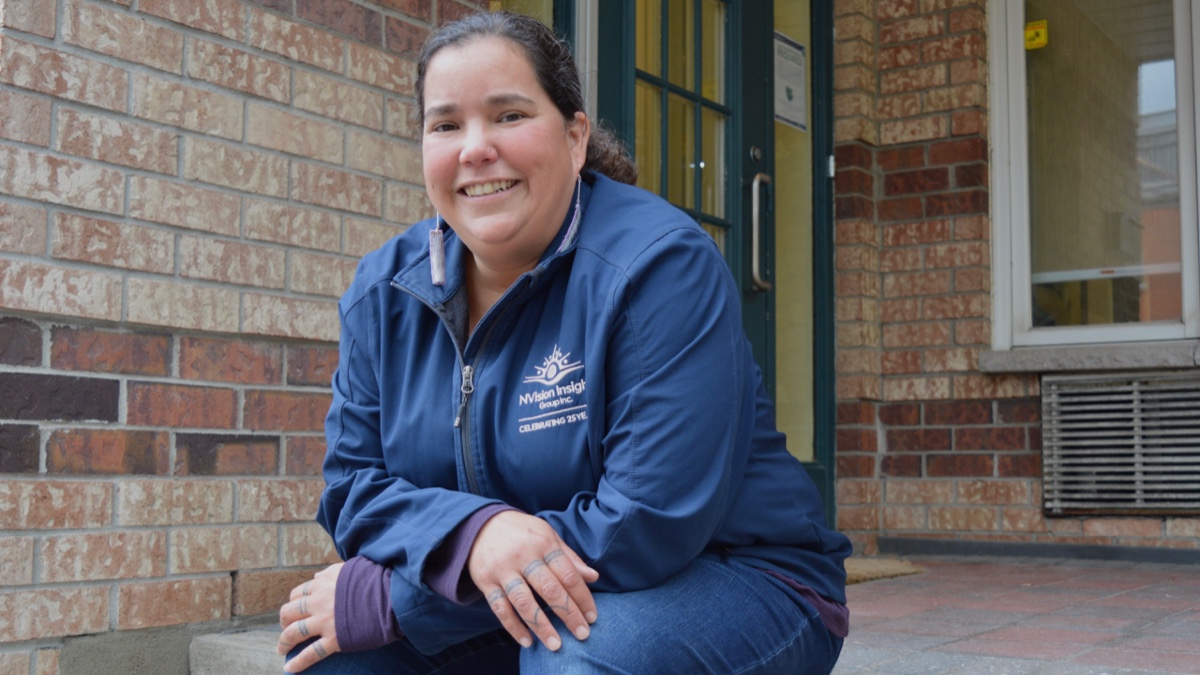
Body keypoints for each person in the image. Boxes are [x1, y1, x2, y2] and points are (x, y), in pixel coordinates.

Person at [277, 11, 851, 674]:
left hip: (738, 577)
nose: (475, 148)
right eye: (446, 124)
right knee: (331, 657)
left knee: (575, 655)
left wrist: (390, 598)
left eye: (509, 115)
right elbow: (352, 489)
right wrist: (476, 537)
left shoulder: (660, 265)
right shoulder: (384, 291)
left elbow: (647, 524)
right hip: (525, 597)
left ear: (575, 137)